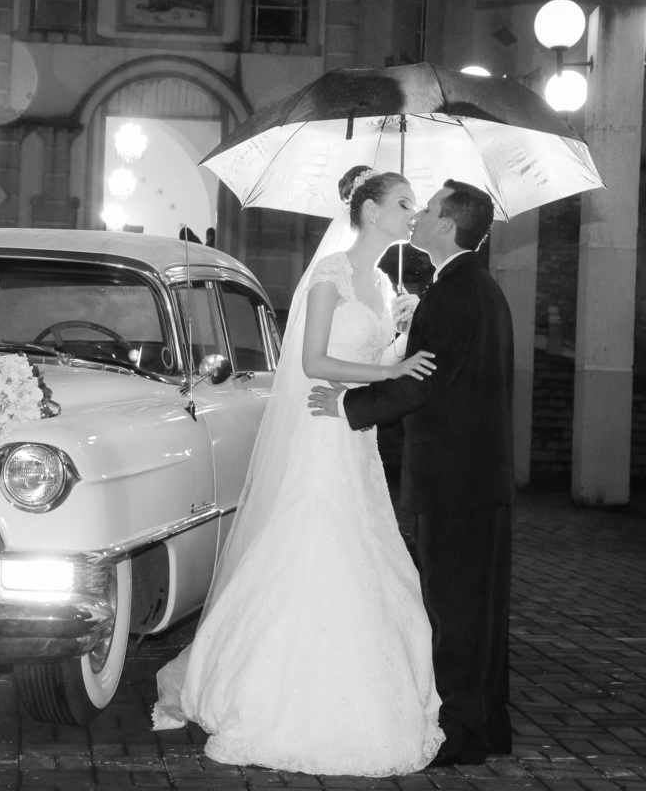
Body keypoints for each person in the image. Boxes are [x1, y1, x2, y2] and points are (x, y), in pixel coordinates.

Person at [153, 166, 444, 775]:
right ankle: (264, 690)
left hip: (355, 436)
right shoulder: (330, 278)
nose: (412, 213)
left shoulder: (386, 288)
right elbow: (312, 360)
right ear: (367, 211)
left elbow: (372, 358)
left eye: (415, 204)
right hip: (321, 430)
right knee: (313, 542)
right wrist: (390, 371)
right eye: (402, 202)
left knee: (366, 551)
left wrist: (398, 332)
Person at [309, 179, 514, 767]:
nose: (418, 216)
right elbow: (435, 365)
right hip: (479, 479)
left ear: (446, 226)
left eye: (426, 209)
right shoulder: (467, 288)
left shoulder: (456, 293)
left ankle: (466, 735)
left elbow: (428, 379)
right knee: (478, 612)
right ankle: (488, 727)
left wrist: (348, 407)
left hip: (456, 482)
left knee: (456, 613)